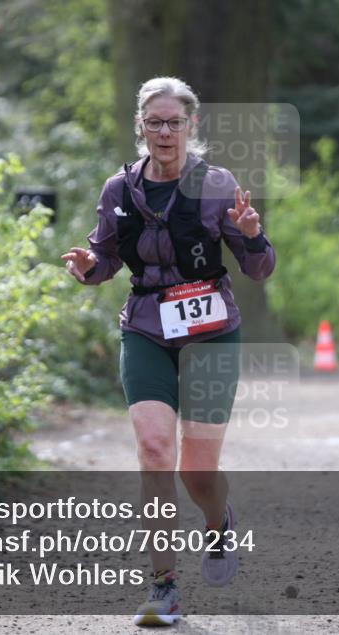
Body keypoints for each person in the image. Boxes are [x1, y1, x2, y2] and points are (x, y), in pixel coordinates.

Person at [61, 76, 276, 626]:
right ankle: (163, 587)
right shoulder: (119, 190)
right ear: (140, 126)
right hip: (148, 327)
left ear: (191, 126)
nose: (164, 132)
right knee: (155, 451)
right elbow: (104, 258)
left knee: (197, 473)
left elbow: (257, 267)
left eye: (173, 122)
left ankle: (218, 521)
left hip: (210, 332)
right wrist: (88, 269)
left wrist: (251, 235)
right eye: (154, 122)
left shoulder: (218, 185)